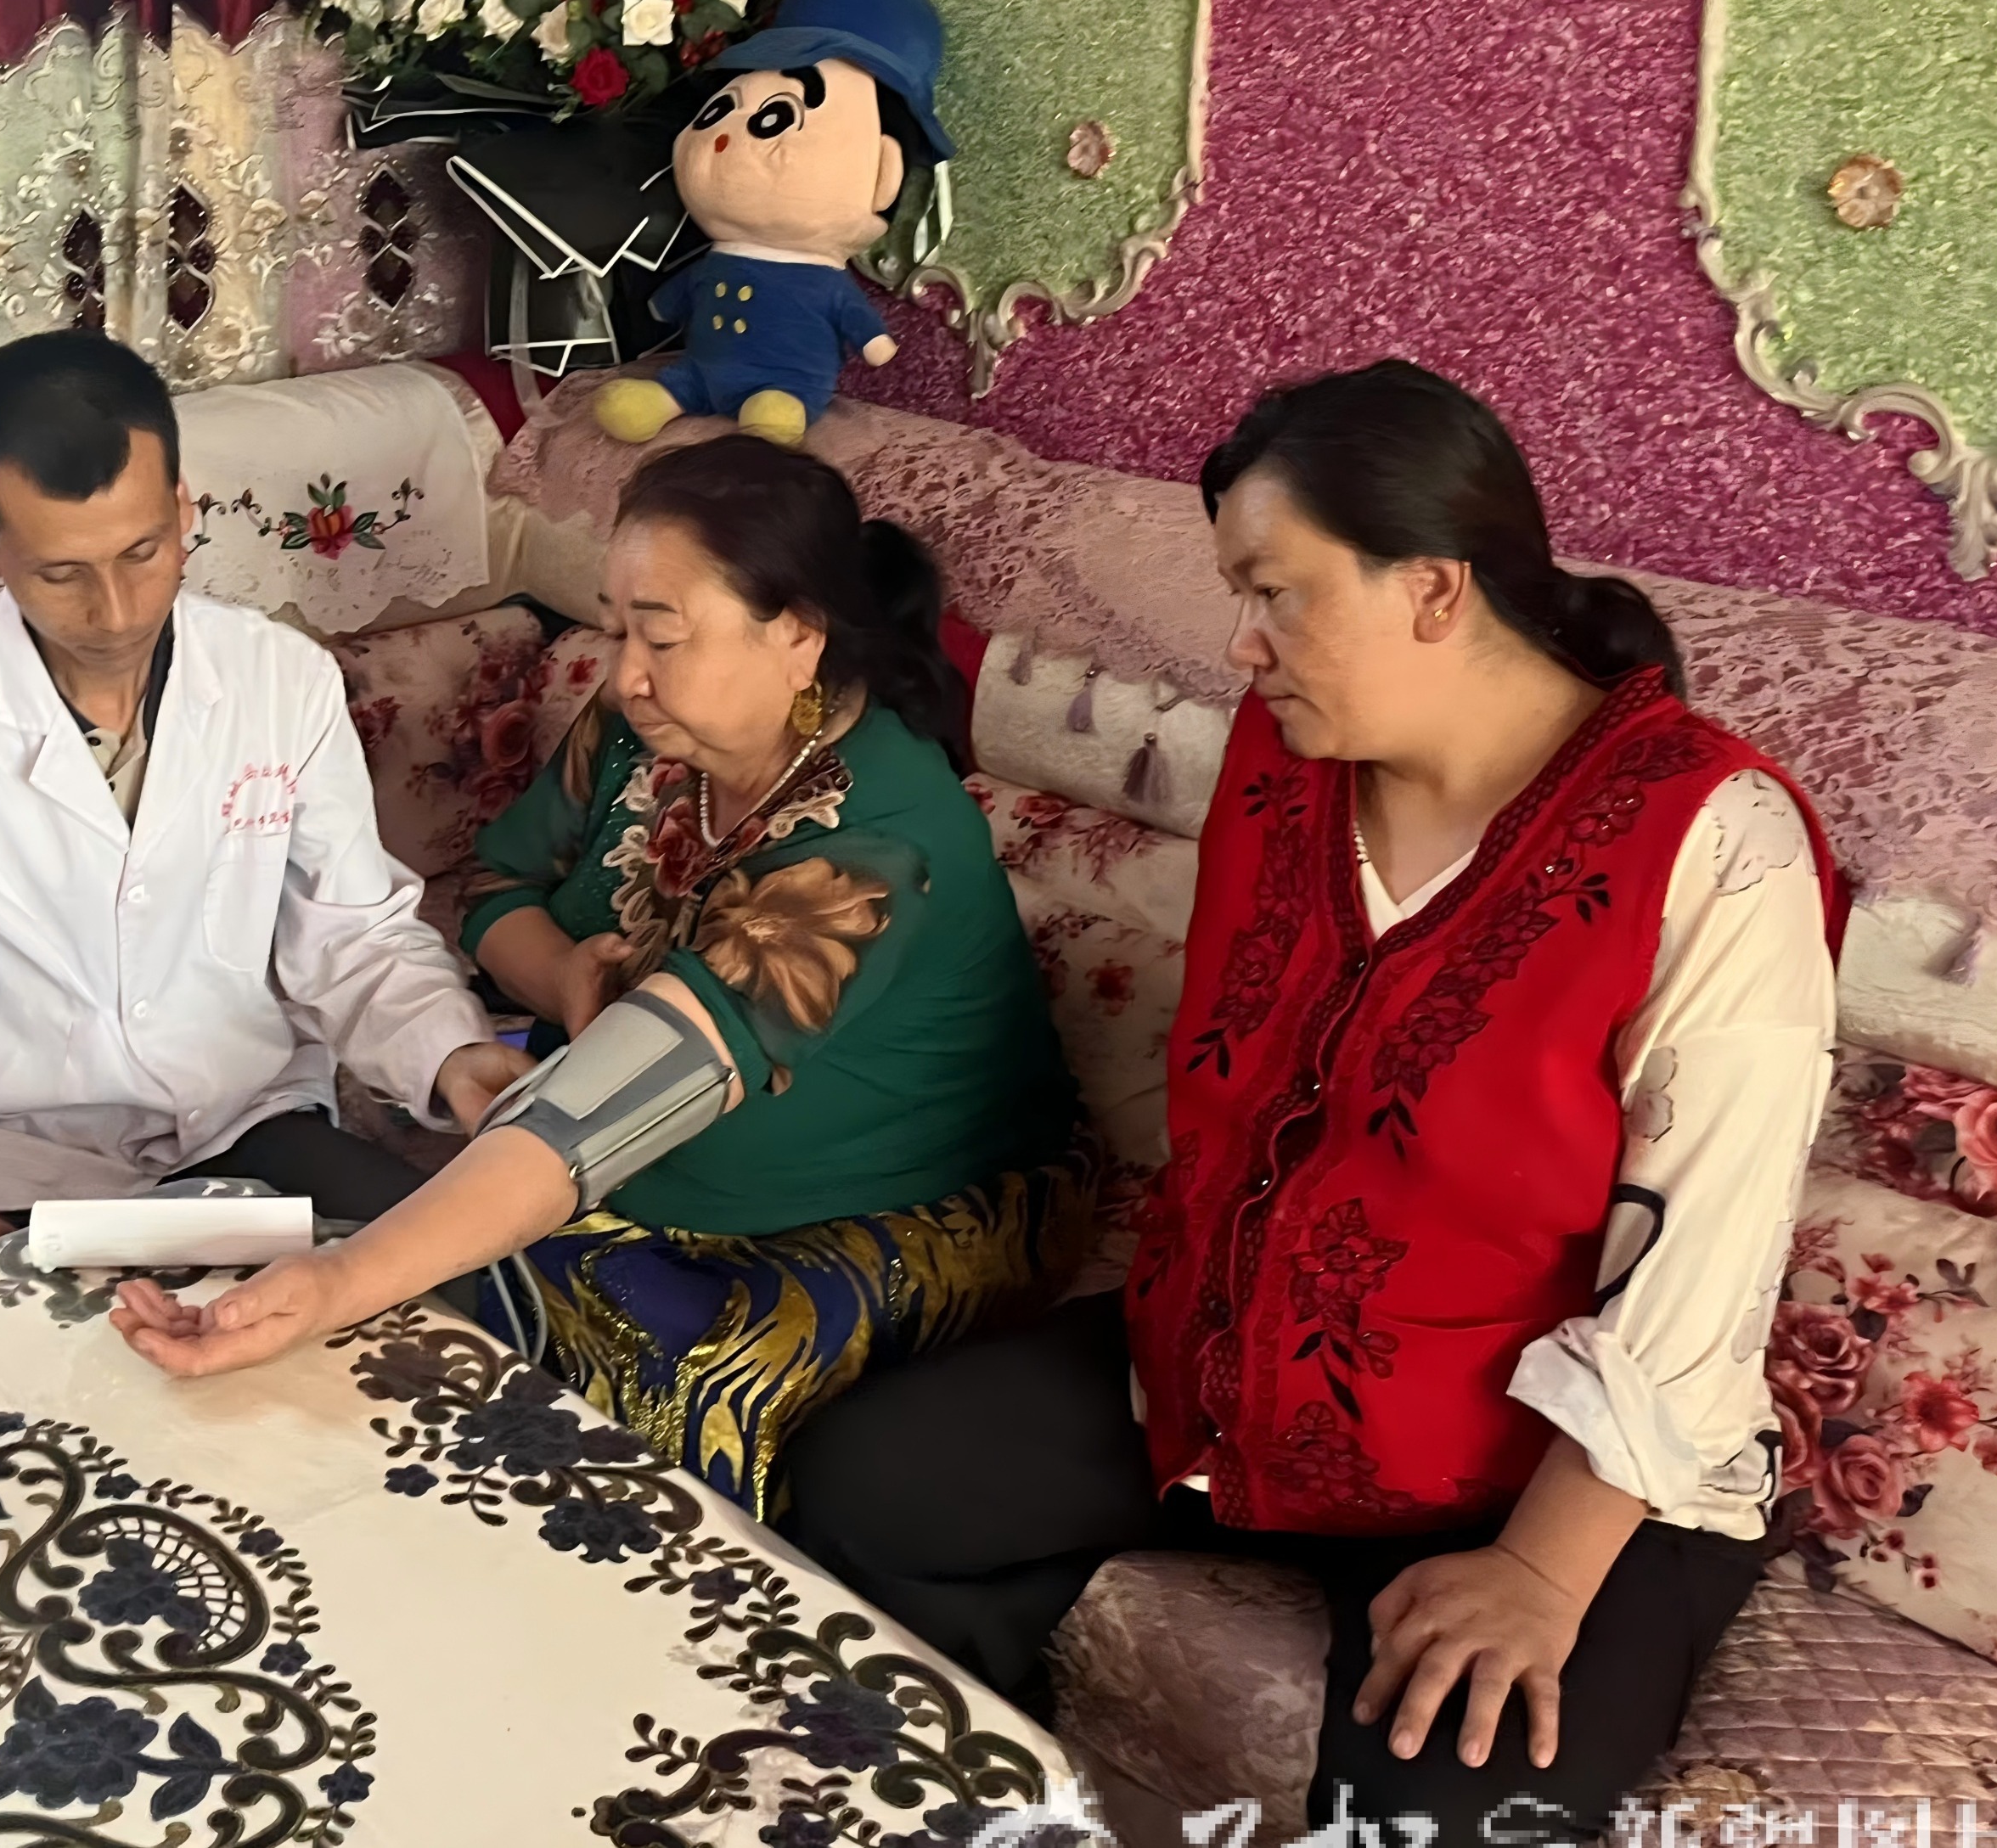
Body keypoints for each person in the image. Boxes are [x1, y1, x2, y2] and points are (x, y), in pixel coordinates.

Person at [783, 362, 1844, 1842]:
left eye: (1276, 592)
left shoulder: (1712, 839)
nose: (1243, 641)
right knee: (862, 1485)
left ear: (1433, 587)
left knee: (1441, 1809)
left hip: (1537, 1468)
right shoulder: (1283, 758)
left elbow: (1704, 1265)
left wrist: (1540, 1572)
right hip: (1223, 1373)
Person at [112, 435, 1090, 1519]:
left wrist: (344, 1281)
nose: (624, 672)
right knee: (329, 1234)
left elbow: (600, 1109)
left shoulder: (875, 849)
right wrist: (559, 974)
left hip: (868, 1216)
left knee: (635, 1383)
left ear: (798, 637)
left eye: (661, 636)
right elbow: (496, 886)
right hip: (614, 1156)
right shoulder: (646, 727)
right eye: (618, 627)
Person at [0, 332, 533, 1286]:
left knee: (462, 1288)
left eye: (143, 552)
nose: (117, 612)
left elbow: (351, 934)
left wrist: (452, 1052)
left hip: (235, 1119)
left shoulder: (280, 681)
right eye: (62, 573)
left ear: (183, 509)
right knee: (71, 1365)